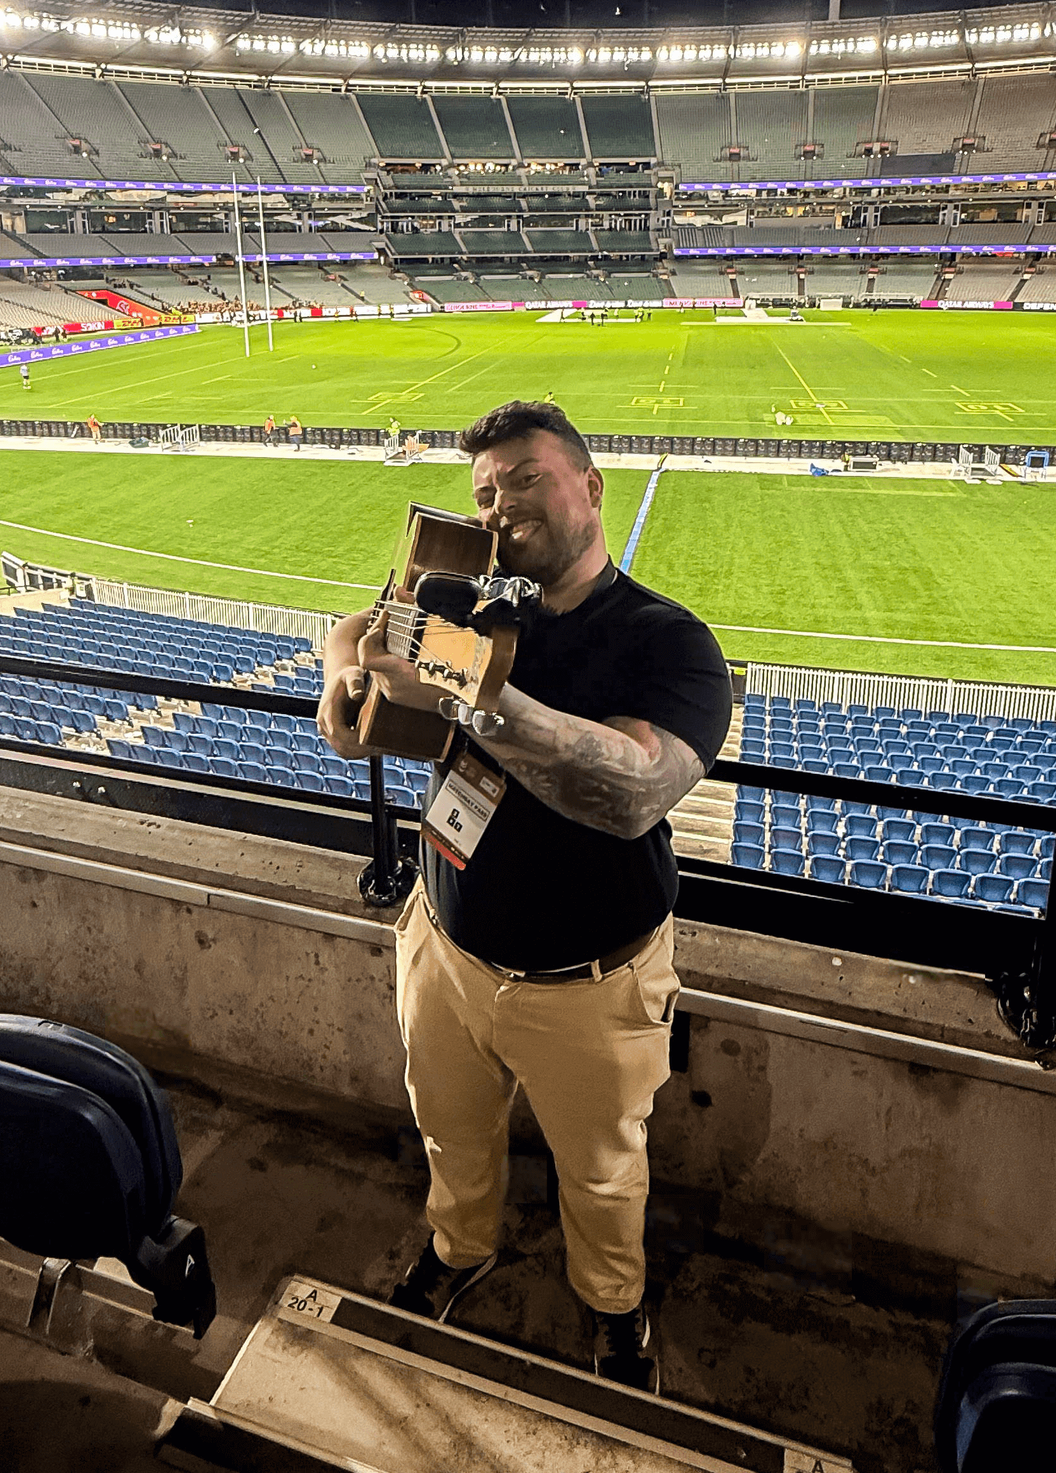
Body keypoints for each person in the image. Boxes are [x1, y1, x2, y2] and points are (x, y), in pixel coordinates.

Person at [318, 401, 731, 1392]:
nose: (501, 506)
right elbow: (359, 629)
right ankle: (459, 1251)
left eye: (525, 479)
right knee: (448, 1135)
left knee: (602, 1174)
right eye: (486, 492)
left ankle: (613, 1304)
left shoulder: (667, 641)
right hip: (445, 949)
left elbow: (633, 789)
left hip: (589, 984)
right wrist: (343, 685)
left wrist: (471, 690)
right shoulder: (472, 608)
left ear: (590, 486)